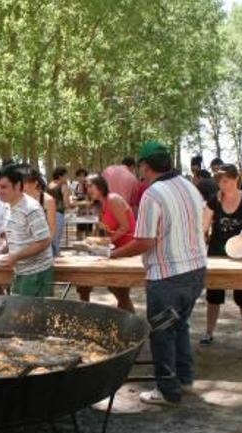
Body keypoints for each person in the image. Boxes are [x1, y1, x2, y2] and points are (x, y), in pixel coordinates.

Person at [111, 141, 206, 406]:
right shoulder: (189, 186)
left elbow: (144, 241)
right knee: (180, 327)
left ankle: (167, 390)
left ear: (145, 166)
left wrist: (113, 254)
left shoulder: (153, 194)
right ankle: (184, 380)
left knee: (163, 333)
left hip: (168, 276)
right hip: (195, 271)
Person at [199, 165, 242, 350]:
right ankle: (209, 333)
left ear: (236, 179)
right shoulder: (213, 201)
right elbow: (203, 228)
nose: (222, 184)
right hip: (217, 253)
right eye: (219, 181)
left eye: (225, 181)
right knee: (213, 295)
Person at [75, 175, 135, 313]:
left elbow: (125, 227)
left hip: (127, 248)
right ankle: (86, 313)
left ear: (101, 185)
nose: (88, 190)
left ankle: (129, 322)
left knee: (119, 290)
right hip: (113, 248)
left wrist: (107, 241)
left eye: (91, 186)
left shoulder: (113, 199)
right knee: (84, 281)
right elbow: (101, 229)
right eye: (86, 187)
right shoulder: (97, 204)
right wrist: (91, 241)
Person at [0, 164, 54, 297]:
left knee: (34, 316)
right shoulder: (7, 206)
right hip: (20, 271)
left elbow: (44, 241)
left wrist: (16, 256)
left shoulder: (31, 208)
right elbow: (20, 235)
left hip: (36, 273)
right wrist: (4, 246)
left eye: (4, 187)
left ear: (17, 186)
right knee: (20, 314)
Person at [22, 168, 58, 254]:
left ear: (35, 183)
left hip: (44, 248)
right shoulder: (19, 199)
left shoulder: (48, 200)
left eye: (25, 183)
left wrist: (42, 247)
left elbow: (52, 229)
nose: (22, 186)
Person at [47, 167, 73, 256]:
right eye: (65, 175)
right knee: (56, 240)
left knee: (50, 239)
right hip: (58, 213)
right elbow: (66, 203)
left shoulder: (49, 185)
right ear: (60, 176)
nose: (67, 177)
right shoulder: (63, 185)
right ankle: (56, 261)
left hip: (47, 213)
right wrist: (72, 206)